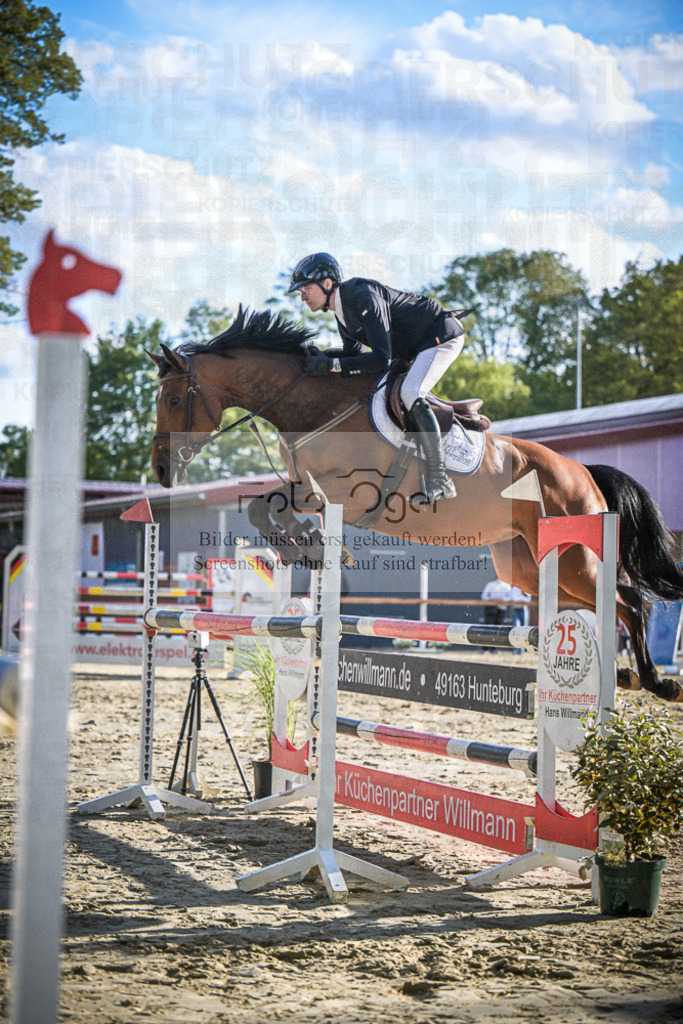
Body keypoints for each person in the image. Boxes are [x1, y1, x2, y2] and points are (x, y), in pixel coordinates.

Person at [287, 252, 467, 505]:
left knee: (411, 392)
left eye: (305, 288)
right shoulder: (341, 311)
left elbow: (381, 360)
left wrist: (331, 365)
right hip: (415, 347)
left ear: (327, 283)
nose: (301, 295)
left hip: (439, 336)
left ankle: (441, 478)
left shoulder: (362, 295)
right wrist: (323, 358)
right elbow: (354, 356)